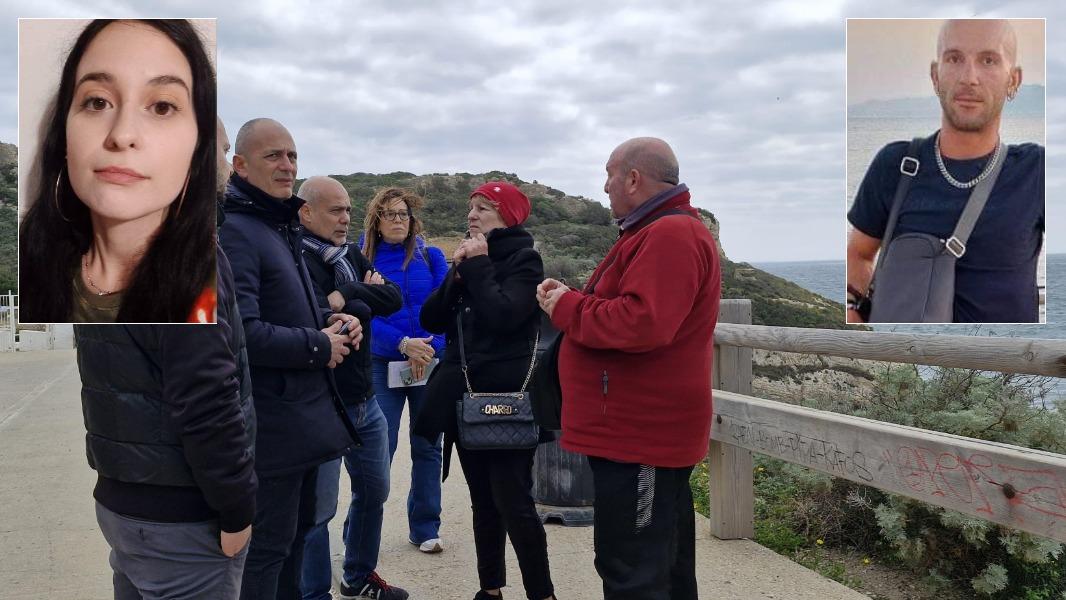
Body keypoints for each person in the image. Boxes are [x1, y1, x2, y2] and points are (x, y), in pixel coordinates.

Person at [72, 90, 256, 600]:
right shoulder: (182, 250)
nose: (226, 167)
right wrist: (237, 507)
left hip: (123, 500)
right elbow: (205, 396)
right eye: (219, 151)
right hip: (181, 515)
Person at [538, 137, 721, 600]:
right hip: (641, 433)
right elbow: (635, 309)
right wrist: (577, 300)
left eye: (609, 175)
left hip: (642, 436)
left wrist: (567, 307)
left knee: (632, 570)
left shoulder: (669, 234)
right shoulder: (656, 231)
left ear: (633, 178)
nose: (604, 187)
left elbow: (644, 323)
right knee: (663, 564)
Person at [220, 117, 363, 599]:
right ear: (239, 165)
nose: (286, 166)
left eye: (292, 156)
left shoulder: (274, 226)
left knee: (296, 540)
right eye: (273, 156)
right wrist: (320, 345)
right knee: (268, 553)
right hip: (273, 428)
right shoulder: (239, 231)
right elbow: (243, 333)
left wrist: (333, 319)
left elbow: (294, 308)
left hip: (299, 423)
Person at [18, 19, 217, 323]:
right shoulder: (27, 269)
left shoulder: (214, 292)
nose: (122, 135)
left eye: (162, 107)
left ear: (197, 145)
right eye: (98, 102)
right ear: (65, 135)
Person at [847, 19, 1044, 323]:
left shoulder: (1036, 170)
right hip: (907, 360)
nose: (969, 77)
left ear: (1013, 80)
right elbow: (858, 253)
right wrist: (854, 317)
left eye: (988, 60)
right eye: (954, 58)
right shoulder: (895, 165)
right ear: (935, 75)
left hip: (1001, 360)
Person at [418, 181, 557, 600]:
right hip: (465, 399)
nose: (472, 215)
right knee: (482, 500)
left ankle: (542, 592)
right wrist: (456, 275)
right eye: (471, 208)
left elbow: (504, 317)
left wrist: (476, 267)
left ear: (509, 217)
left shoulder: (525, 260)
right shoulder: (468, 260)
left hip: (507, 401)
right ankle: (490, 588)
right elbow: (432, 318)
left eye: (484, 209)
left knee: (514, 501)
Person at [295, 176, 408, 600]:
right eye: (335, 210)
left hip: (365, 403)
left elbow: (392, 298)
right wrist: (361, 298)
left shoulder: (349, 256)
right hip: (322, 404)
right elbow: (313, 316)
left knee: (374, 492)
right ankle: (313, 593)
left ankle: (358, 577)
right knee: (318, 510)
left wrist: (346, 294)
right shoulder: (296, 259)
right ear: (306, 212)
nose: (346, 218)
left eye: (347, 209)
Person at [360, 187, 448, 555]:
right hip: (384, 364)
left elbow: (451, 307)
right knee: (382, 446)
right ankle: (361, 531)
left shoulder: (432, 256)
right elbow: (362, 316)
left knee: (428, 446)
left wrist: (429, 348)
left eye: (404, 214)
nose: (398, 220)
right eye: (390, 214)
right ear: (377, 221)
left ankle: (425, 528)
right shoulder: (361, 260)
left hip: (429, 362)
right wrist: (401, 344)